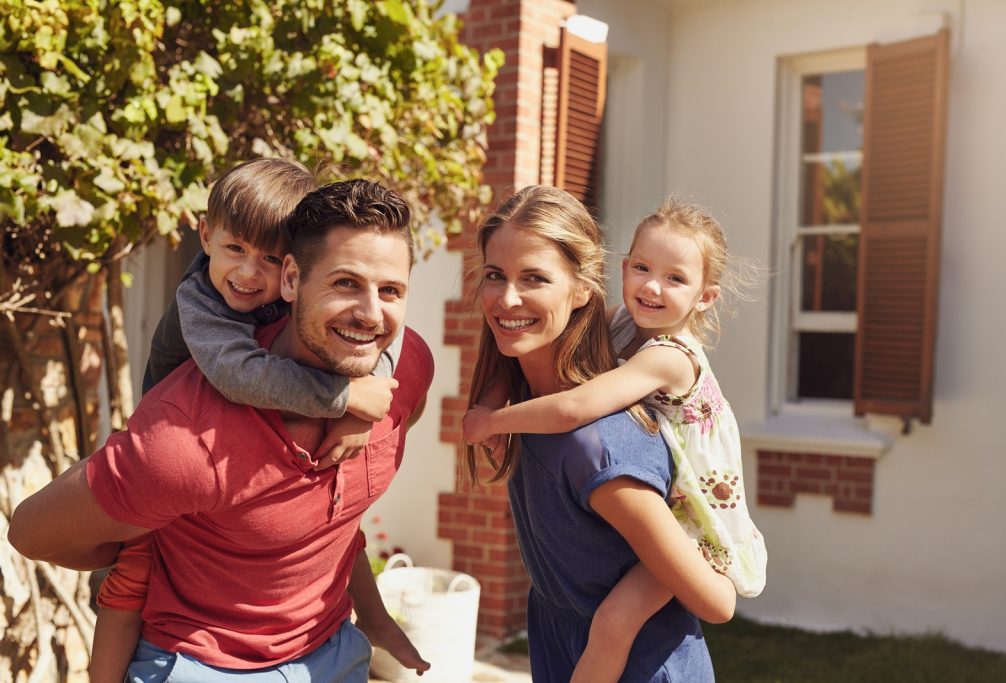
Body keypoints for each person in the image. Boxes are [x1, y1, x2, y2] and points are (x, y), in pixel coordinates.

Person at [8, 179, 434, 680]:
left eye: (390, 291)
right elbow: (32, 532)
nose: (370, 312)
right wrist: (147, 536)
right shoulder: (186, 439)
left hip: (335, 651)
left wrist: (376, 619)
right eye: (345, 283)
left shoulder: (406, 372)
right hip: (203, 663)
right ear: (294, 281)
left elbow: (338, 518)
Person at [464, 196, 766, 682]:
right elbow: (517, 347)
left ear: (704, 296)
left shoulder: (664, 362)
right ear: (623, 269)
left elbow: (572, 409)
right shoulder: (622, 322)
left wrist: (492, 422)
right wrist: (491, 403)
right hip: (563, 638)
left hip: (699, 516)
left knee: (615, 622)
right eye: (642, 268)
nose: (651, 286)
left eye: (675, 278)